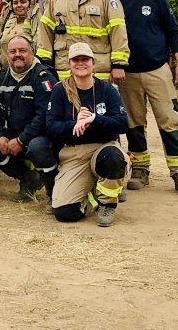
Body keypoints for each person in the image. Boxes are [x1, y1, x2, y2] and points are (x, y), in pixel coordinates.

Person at [113, 0, 178, 196]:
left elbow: (173, 32)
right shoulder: (112, 0)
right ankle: (139, 169)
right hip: (126, 73)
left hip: (157, 69)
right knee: (134, 124)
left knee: (169, 121)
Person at [46, 42, 130, 227]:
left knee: (113, 158)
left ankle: (107, 204)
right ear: (69, 63)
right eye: (76, 60)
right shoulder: (60, 90)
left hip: (102, 148)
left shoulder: (107, 90)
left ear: (93, 62)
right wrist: (74, 125)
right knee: (65, 213)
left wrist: (94, 118)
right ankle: (89, 191)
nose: (80, 63)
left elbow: (123, 124)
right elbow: (51, 126)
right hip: (74, 155)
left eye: (85, 59)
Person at [0, 36, 59, 204]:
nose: (18, 55)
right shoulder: (1, 77)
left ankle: (54, 190)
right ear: (6, 55)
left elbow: (44, 116)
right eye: (13, 52)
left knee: (37, 148)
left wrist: (22, 140)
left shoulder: (43, 77)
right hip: (15, 133)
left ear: (32, 52)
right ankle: (28, 179)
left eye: (22, 51)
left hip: (42, 136)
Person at [37, 0, 130, 80]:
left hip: (98, 72)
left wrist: (119, 64)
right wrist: (44, 65)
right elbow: (45, 33)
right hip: (64, 72)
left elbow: (118, 31)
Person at [0, 0, 35, 67]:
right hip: (6, 70)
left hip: (27, 70)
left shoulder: (35, 22)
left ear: (30, 4)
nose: (19, 5)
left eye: (23, 2)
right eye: (15, 3)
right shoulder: (8, 21)